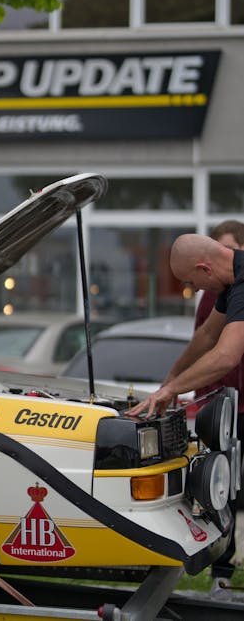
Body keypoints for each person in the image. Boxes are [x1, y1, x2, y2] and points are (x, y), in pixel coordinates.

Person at [127, 229, 244, 599]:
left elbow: (226, 355)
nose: (192, 290)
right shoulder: (231, 284)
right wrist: (170, 381)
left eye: (191, 282)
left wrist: (172, 390)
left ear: (205, 267)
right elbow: (207, 337)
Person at [193, 221, 244, 597]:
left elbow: (227, 351)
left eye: (227, 249)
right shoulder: (213, 294)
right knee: (219, 494)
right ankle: (221, 575)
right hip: (221, 406)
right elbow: (205, 340)